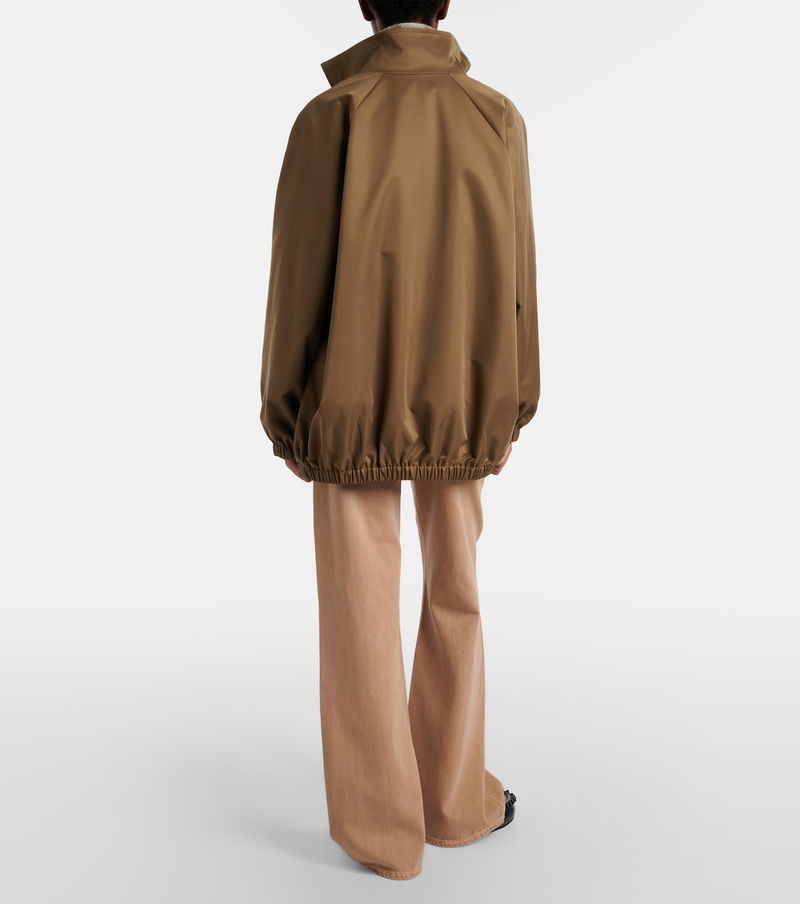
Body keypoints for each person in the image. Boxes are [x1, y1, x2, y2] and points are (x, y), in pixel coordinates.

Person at [259, 0, 539, 881]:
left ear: (365, 4)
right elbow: (519, 278)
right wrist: (512, 405)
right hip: (464, 396)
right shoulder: (496, 116)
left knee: (360, 609)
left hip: (347, 398)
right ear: (444, 5)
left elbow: (297, 276)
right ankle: (454, 804)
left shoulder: (332, 116)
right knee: (457, 590)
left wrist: (285, 408)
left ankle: (382, 833)